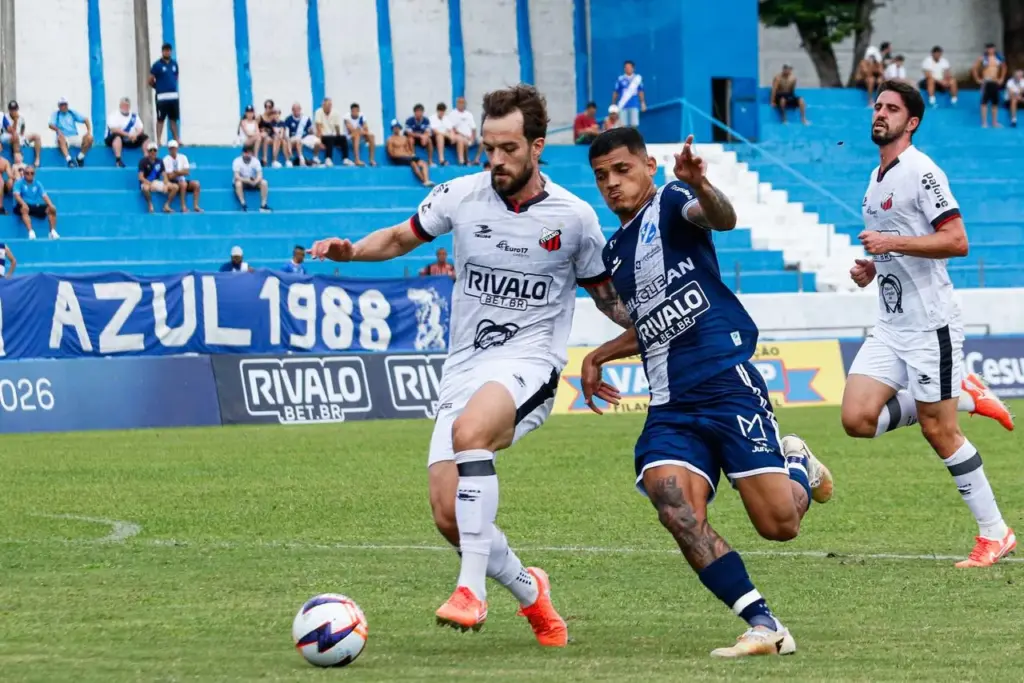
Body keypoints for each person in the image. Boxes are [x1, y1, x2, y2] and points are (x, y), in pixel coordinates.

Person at [310, 84, 634, 647]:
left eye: (508, 148)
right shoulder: (460, 195)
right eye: (488, 147)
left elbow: (610, 300)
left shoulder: (574, 218)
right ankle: (532, 592)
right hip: (463, 367)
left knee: (471, 432)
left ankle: (470, 590)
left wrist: (653, 328)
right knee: (448, 513)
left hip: (529, 363)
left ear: (536, 147)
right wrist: (352, 251)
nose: (496, 160)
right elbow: (399, 237)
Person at [581, 127, 833, 658]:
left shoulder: (673, 201)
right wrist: (598, 354)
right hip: (671, 405)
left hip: (725, 384)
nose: (612, 183)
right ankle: (763, 623)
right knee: (674, 506)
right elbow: (652, 324)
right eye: (601, 176)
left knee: (780, 525)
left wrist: (700, 184)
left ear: (649, 167)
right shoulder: (616, 251)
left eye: (622, 170)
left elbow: (721, 218)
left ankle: (797, 464)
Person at [842, 81, 1015, 567]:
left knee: (940, 431)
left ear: (911, 122)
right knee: (856, 419)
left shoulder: (923, 171)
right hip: (889, 325)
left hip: (929, 325)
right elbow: (896, 244)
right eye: (878, 106)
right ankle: (963, 393)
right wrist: (874, 267)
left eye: (892, 109)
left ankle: (995, 533)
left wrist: (889, 245)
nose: (880, 113)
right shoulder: (875, 178)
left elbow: (957, 241)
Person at [12, 166, 58, 239]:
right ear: (24, 173)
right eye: (27, 173)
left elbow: (44, 196)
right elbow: (16, 195)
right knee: (24, 208)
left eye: (32, 173)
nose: (29, 175)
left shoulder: (38, 183)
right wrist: (23, 204)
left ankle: (52, 232)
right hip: (22, 204)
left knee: (52, 209)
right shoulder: (19, 183)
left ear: (34, 174)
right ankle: (31, 232)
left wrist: (51, 205)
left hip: (34, 205)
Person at [149, 42, 181, 144]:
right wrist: (158, 87)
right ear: (162, 52)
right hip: (162, 97)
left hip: (173, 97)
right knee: (160, 119)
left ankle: (177, 139)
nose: (167, 52)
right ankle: (158, 140)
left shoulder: (174, 64)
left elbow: (176, 77)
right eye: (165, 50)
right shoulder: (157, 65)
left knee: (173, 119)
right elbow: (150, 80)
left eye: (168, 50)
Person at [387, 119, 433, 186]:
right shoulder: (390, 139)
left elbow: (408, 150)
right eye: (395, 127)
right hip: (398, 158)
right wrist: (403, 155)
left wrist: (412, 154)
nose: (396, 129)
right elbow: (391, 153)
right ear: (392, 129)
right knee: (413, 163)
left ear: (400, 128)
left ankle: (427, 180)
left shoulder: (404, 138)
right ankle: (424, 181)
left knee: (423, 163)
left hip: (407, 157)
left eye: (398, 127)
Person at [48, 98, 93, 167]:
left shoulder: (71, 112)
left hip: (74, 136)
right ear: (59, 106)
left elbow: (85, 119)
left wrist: (89, 131)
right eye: (62, 105)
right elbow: (50, 125)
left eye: (65, 104)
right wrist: (58, 130)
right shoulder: (56, 114)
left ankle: (80, 158)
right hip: (64, 137)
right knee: (60, 138)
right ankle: (69, 160)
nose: (64, 106)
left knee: (89, 138)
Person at [105, 96, 149, 167]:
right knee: (117, 137)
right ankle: (118, 160)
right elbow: (114, 129)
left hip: (131, 138)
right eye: (124, 105)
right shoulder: (113, 115)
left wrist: (135, 135)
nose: (125, 107)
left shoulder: (134, 116)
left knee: (145, 137)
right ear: (120, 105)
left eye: (127, 105)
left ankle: (146, 160)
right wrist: (128, 135)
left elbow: (140, 128)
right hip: (114, 138)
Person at [138, 141, 179, 213]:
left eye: (155, 150)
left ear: (157, 151)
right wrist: (150, 184)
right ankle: (150, 204)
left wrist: (166, 184)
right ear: (148, 151)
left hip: (155, 182)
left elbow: (164, 174)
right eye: (151, 150)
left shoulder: (160, 161)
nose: (153, 152)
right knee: (145, 188)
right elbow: (140, 177)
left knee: (175, 187)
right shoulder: (143, 161)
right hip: (146, 182)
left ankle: (167, 205)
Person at [972, 43, 1007, 128]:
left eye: (992, 49)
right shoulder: (983, 58)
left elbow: (1004, 67)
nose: (990, 50)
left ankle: (994, 122)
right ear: (986, 49)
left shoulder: (999, 58)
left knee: (995, 102)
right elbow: (974, 68)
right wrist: (977, 79)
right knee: (984, 102)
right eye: (989, 49)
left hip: (995, 81)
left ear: (994, 49)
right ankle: (984, 122)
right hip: (986, 81)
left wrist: (1002, 78)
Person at [164, 140, 202, 212]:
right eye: (171, 148)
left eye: (174, 148)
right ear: (169, 149)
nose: (173, 150)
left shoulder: (183, 157)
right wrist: (182, 172)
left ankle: (196, 206)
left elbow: (187, 172)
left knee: (196, 184)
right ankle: (183, 206)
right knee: (183, 184)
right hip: (173, 181)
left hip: (182, 179)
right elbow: (170, 176)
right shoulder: (166, 159)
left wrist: (176, 172)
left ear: (177, 148)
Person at [232, 144, 271, 212]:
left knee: (264, 182)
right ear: (242, 153)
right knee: (238, 183)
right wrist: (247, 180)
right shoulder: (237, 161)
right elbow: (236, 176)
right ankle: (243, 205)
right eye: (245, 153)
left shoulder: (255, 161)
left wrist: (255, 181)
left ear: (252, 154)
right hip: (243, 181)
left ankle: (263, 206)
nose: (247, 155)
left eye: (249, 153)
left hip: (253, 181)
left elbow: (260, 175)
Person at [2, 101, 41, 167]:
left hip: (18, 136)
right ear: (9, 110)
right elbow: (12, 131)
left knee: (37, 136)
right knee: (15, 136)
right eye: (12, 109)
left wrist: (22, 135)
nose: (13, 111)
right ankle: (18, 162)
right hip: (9, 137)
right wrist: (15, 120)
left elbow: (23, 126)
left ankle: (37, 159)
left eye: (15, 109)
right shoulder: (5, 117)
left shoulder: (21, 116)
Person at [314, 97, 350, 166]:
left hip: (333, 135)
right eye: (327, 105)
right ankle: (328, 158)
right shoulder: (318, 112)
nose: (329, 107)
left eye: (330, 105)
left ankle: (345, 159)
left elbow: (337, 126)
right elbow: (318, 128)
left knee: (343, 138)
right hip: (323, 136)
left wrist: (339, 136)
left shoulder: (335, 113)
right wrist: (320, 141)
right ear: (323, 105)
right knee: (330, 138)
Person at [611, 60, 646, 127]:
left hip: (634, 105)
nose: (627, 69)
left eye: (629, 67)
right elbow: (616, 92)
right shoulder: (620, 79)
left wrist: (642, 103)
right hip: (623, 105)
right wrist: (613, 103)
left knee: (634, 125)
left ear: (633, 68)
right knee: (623, 126)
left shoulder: (637, 79)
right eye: (626, 67)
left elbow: (640, 91)